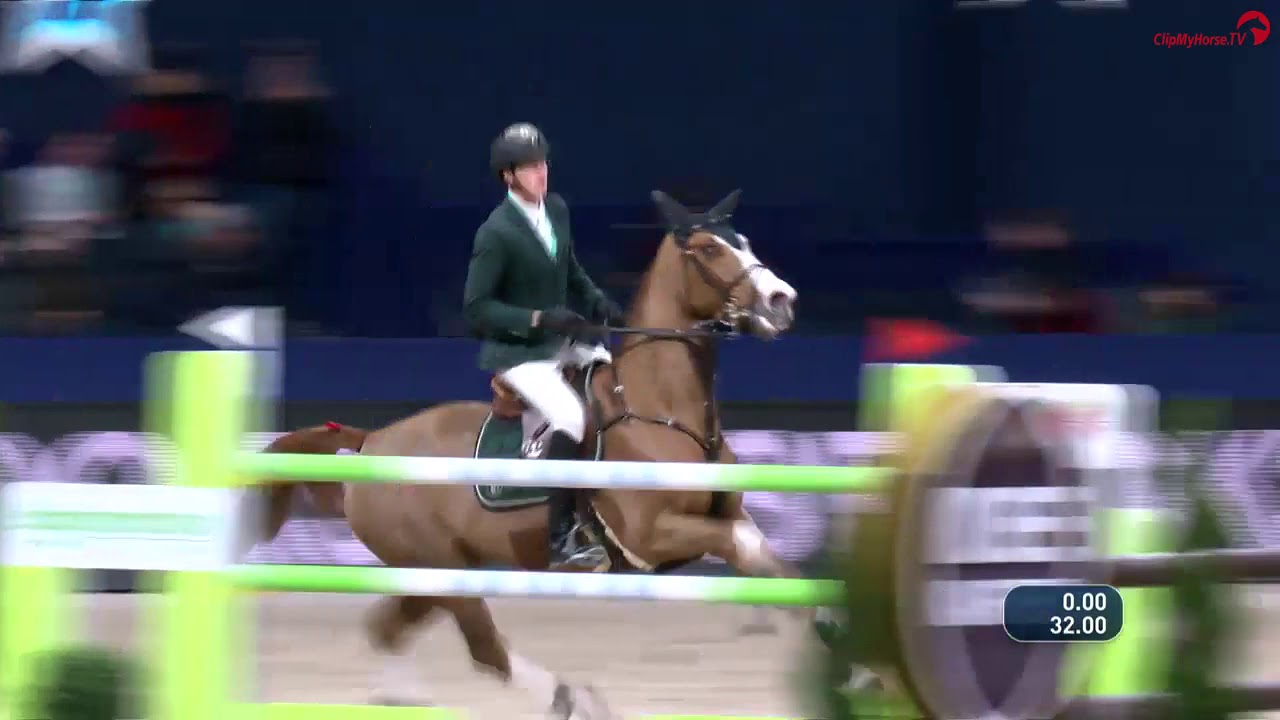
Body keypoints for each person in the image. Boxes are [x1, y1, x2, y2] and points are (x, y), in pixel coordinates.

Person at [463, 122, 625, 570]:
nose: (542, 173)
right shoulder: (494, 233)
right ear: (508, 176)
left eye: (543, 164)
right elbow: (476, 309)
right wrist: (537, 318)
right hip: (518, 353)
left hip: (560, 337)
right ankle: (560, 536)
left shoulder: (556, 209)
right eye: (531, 167)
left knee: (614, 376)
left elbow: (569, 268)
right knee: (571, 417)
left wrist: (597, 301)